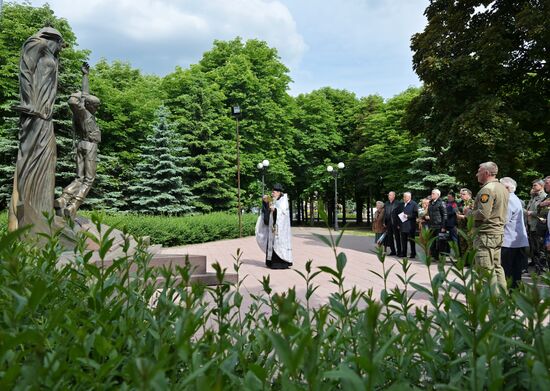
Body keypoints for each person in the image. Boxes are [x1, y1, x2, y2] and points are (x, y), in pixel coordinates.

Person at [8, 27, 64, 230]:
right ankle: (28, 217)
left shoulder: (51, 56)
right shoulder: (36, 43)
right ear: (55, 40)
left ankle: (43, 214)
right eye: (61, 45)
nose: (61, 50)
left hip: (45, 115)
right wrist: (30, 103)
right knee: (31, 158)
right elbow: (25, 71)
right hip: (36, 112)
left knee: (49, 158)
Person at [55, 62, 101, 218]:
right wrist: (75, 95)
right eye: (97, 105)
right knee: (89, 179)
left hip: (81, 145)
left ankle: (63, 199)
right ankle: (74, 205)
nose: (98, 108)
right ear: (90, 106)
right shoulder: (83, 114)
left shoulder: (84, 111)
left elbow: (84, 95)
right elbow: (74, 101)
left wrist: (85, 76)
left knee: (79, 177)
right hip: (89, 146)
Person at [472, 161, 509, 295]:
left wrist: (468, 214)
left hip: (486, 234)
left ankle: (491, 302)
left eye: (479, 170)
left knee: (485, 270)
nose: (477, 174)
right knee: (497, 268)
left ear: (486, 173)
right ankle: (502, 298)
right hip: (496, 233)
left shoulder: (487, 189)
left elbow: (483, 213)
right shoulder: (502, 188)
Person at [500, 177, 529, 289]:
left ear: (506, 188)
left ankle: (509, 296)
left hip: (509, 241)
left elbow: (504, 220)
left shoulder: (508, 199)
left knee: (508, 271)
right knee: (515, 271)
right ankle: (515, 296)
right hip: (515, 241)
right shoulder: (514, 198)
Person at [255, 184, 293, 269]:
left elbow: (283, 214)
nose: (272, 194)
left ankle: (280, 263)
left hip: (280, 230)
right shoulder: (274, 200)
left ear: (279, 192)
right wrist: (266, 202)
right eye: (272, 192)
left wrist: (275, 210)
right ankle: (271, 262)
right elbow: (269, 210)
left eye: (274, 192)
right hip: (272, 228)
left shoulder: (283, 201)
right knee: (271, 245)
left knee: (278, 245)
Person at [524, 179, 547, 270]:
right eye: (533, 185)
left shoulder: (544, 197)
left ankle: (540, 266)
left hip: (538, 225)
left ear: (541, 186)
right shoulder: (533, 197)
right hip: (530, 225)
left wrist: (531, 213)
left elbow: (543, 213)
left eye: (535, 185)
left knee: (538, 246)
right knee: (533, 246)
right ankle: (534, 263)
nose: (533, 187)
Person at [427, 189, 447, 259]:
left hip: (439, 225)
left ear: (438, 195)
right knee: (432, 241)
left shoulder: (441, 203)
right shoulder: (431, 203)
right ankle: (434, 255)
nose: (431, 195)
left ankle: (441, 256)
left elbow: (444, 215)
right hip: (432, 225)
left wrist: (443, 226)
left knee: (440, 241)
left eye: (433, 194)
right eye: (431, 193)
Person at [399, 192, 418, 258]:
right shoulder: (402, 204)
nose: (403, 198)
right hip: (403, 224)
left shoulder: (414, 204)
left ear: (409, 197)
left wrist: (408, 216)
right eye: (403, 196)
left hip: (410, 225)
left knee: (411, 240)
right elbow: (399, 213)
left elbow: (416, 215)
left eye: (405, 196)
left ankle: (413, 253)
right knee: (403, 240)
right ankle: (403, 253)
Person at [456, 188, 475, 256]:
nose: (461, 195)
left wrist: (464, 216)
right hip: (461, 227)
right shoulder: (460, 203)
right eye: (461, 194)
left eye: (464, 194)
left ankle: (470, 262)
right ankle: (464, 261)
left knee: (469, 245)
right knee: (462, 245)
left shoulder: (472, 203)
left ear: (469, 195)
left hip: (469, 228)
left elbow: (474, 215)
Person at [384, 191, 402, 256]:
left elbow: (400, 214)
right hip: (388, 223)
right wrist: (384, 222)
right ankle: (393, 251)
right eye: (389, 195)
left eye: (390, 195)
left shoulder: (398, 203)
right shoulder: (386, 203)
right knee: (390, 237)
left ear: (394, 196)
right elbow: (385, 213)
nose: (389, 196)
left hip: (396, 223)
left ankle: (399, 251)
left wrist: (399, 224)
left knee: (397, 237)